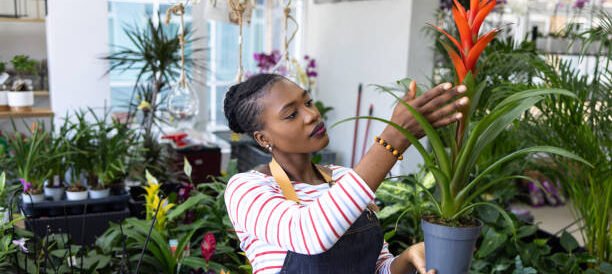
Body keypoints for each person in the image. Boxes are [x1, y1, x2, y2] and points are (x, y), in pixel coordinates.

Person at [223, 73, 468, 274]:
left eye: (308, 102)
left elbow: (377, 267)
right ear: (263, 138)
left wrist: (406, 259)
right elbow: (309, 234)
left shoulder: (343, 179)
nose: (312, 115)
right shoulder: (247, 189)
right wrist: (393, 139)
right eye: (291, 114)